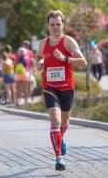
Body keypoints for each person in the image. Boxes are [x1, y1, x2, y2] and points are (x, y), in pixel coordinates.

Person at [35, 10, 87, 170]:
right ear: (48, 25)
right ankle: (59, 158)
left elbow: (83, 62)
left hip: (66, 88)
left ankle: (60, 137)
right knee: (55, 120)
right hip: (50, 87)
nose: (55, 27)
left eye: (58, 24)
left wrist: (65, 58)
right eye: (52, 24)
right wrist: (40, 63)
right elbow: (38, 57)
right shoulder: (43, 43)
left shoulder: (68, 41)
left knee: (64, 122)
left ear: (62, 24)